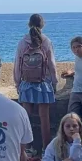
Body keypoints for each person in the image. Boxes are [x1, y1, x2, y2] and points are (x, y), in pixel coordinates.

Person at [14, 14, 58, 152]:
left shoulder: (22, 42)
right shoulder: (46, 41)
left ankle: (27, 149)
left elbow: (17, 64)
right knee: (44, 118)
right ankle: (46, 148)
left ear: (29, 24)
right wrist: (54, 81)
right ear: (43, 24)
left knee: (26, 118)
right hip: (43, 83)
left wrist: (17, 82)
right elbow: (51, 64)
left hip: (27, 83)